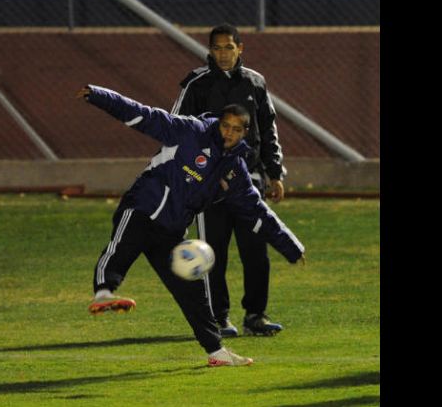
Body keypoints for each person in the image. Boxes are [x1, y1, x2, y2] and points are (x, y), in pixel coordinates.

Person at [78, 84, 305, 367]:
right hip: (144, 207)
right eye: (226, 126)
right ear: (219, 123)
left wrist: (290, 246)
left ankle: (216, 351)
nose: (229, 132)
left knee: (192, 292)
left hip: (172, 232)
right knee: (121, 247)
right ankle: (104, 291)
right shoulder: (190, 131)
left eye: (236, 129)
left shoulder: (235, 171)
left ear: (245, 133)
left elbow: (256, 211)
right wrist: (100, 95)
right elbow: (143, 115)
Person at [170, 23, 286, 337]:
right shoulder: (196, 84)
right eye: (217, 48)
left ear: (240, 48)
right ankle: (219, 318)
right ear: (210, 50)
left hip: (249, 184)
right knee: (212, 253)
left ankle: (255, 316)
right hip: (210, 187)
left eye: (228, 48)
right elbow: (177, 130)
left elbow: (268, 130)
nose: (223, 54)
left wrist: (274, 173)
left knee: (256, 254)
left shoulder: (255, 82)